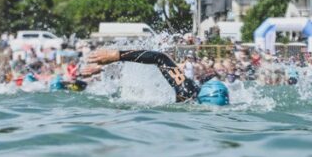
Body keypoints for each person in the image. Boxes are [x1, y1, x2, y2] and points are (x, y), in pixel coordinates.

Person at [83, 49, 229, 105]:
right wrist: (116, 56)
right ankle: (105, 69)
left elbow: (160, 57)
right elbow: (159, 58)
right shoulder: (188, 91)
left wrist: (117, 56)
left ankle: (104, 69)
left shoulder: (187, 92)